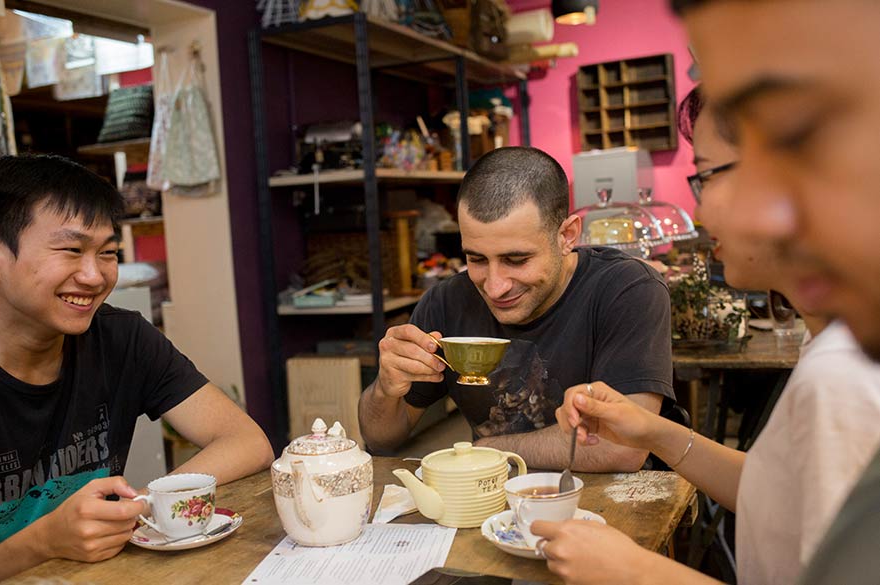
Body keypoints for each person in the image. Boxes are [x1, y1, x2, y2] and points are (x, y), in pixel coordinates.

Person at [529, 86, 880, 584]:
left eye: (707, 175)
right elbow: (780, 493)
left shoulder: (844, 377)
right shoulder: (831, 342)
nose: (701, 214)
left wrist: (635, 571)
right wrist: (654, 432)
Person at [0, 155, 274, 579]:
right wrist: (43, 541)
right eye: (71, 250)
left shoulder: (120, 338)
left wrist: (139, 504)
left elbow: (247, 441)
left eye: (108, 252)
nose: (94, 276)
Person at [358, 146, 675, 472]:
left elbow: (622, 447)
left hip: (614, 507)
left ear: (567, 235)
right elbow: (381, 439)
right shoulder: (446, 303)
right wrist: (386, 388)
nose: (495, 287)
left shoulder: (627, 290)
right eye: (476, 259)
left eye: (516, 259)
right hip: (498, 510)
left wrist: (489, 449)